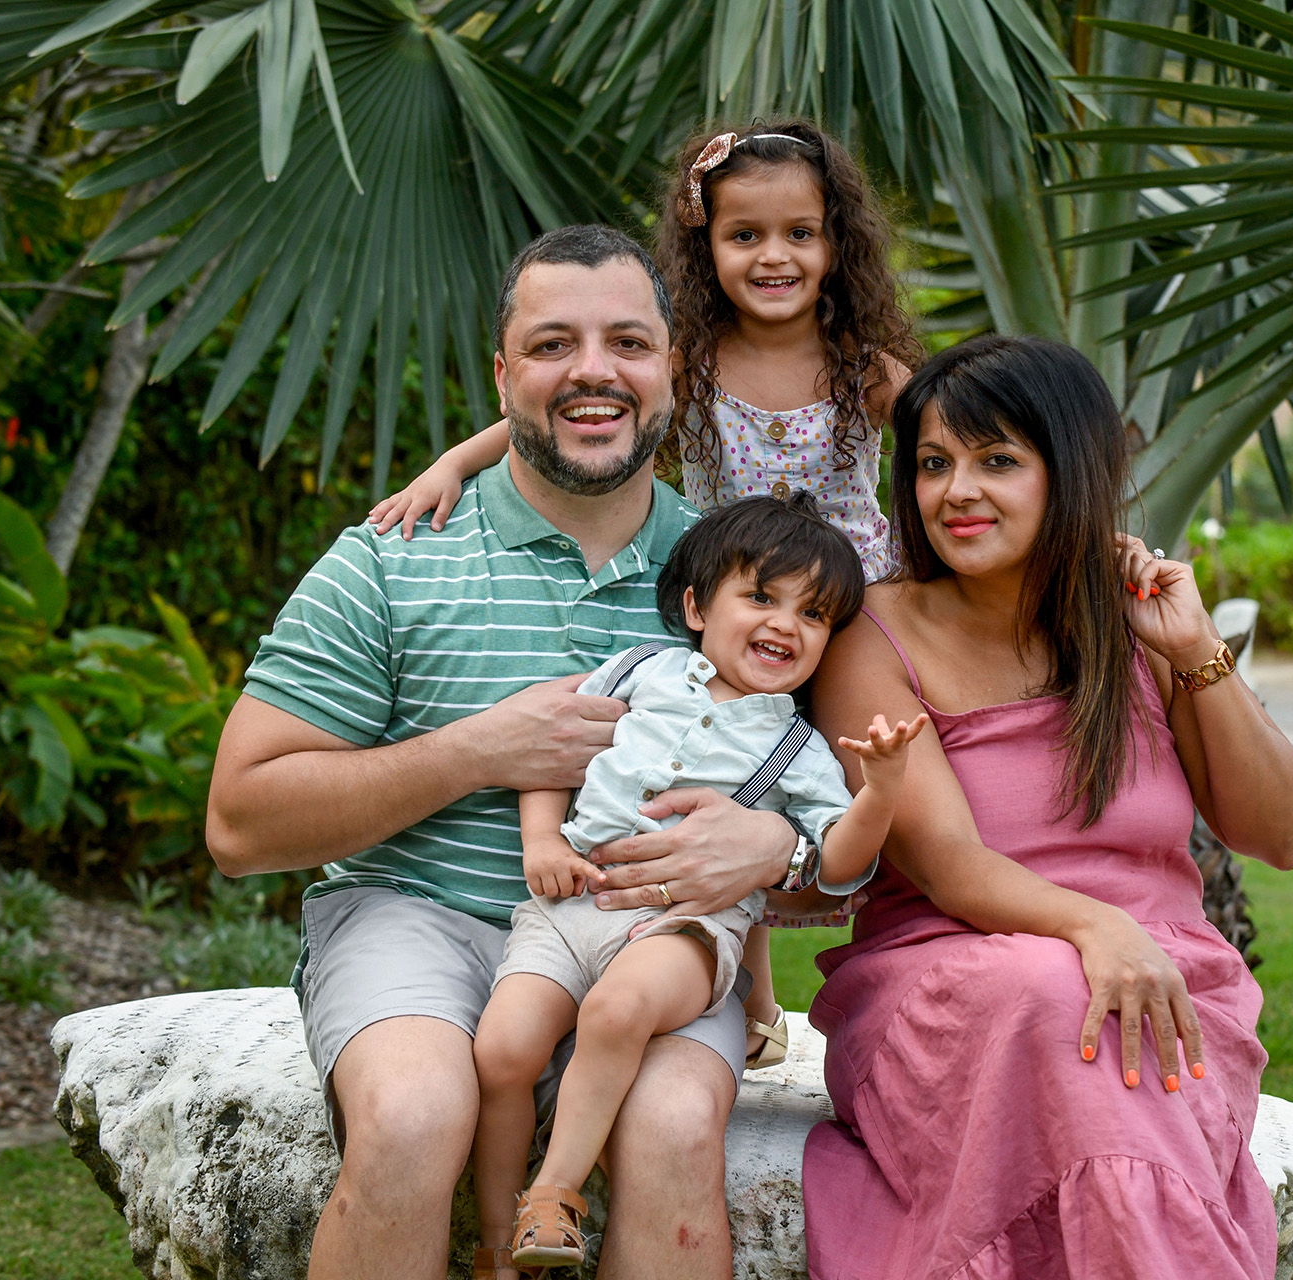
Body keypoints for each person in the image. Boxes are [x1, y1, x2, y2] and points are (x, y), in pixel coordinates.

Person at [204, 224, 813, 1280]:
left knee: (674, 1127)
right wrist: (479, 750)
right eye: (551, 344)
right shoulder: (392, 555)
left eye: (628, 342)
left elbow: (846, 807)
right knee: (412, 1111)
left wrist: (774, 846)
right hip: (418, 921)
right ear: (502, 375)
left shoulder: (751, 583)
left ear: (672, 368)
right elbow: (238, 825)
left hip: (649, 937)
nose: (593, 371)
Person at [367, 118, 923, 1070]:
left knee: (835, 790)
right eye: (745, 235)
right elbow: (553, 415)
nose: (775, 256)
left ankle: (890, 966)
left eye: (800, 233)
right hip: (735, 600)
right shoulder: (689, 363)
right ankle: (752, 993)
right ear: (707, 247)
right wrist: (451, 466)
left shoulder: (861, 365)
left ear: (837, 242)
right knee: (724, 774)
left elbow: (951, 430)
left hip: (844, 604)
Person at [802, 334, 1293, 1279]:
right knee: (1052, 992)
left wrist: (1194, 650)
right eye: (932, 464)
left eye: (997, 461)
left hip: (1166, 987)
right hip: (951, 989)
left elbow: (1279, 833)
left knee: (1091, 1024)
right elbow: (947, 863)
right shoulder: (871, 634)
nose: (957, 492)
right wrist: (1096, 928)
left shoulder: (1136, 628)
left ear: (1070, 470)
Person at [473, 494, 928, 1277]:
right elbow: (549, 750)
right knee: (502, 1050)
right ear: (695, 607)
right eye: (761, 597)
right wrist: (542, 838)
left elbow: (838, 864)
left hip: (684, 927)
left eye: (813, 613)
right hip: (569, 909)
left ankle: (553, 1196)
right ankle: (496, 1248)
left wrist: (880, 793)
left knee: (617, 1011)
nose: (785, 624)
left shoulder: (796, 747)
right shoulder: (641, 671)